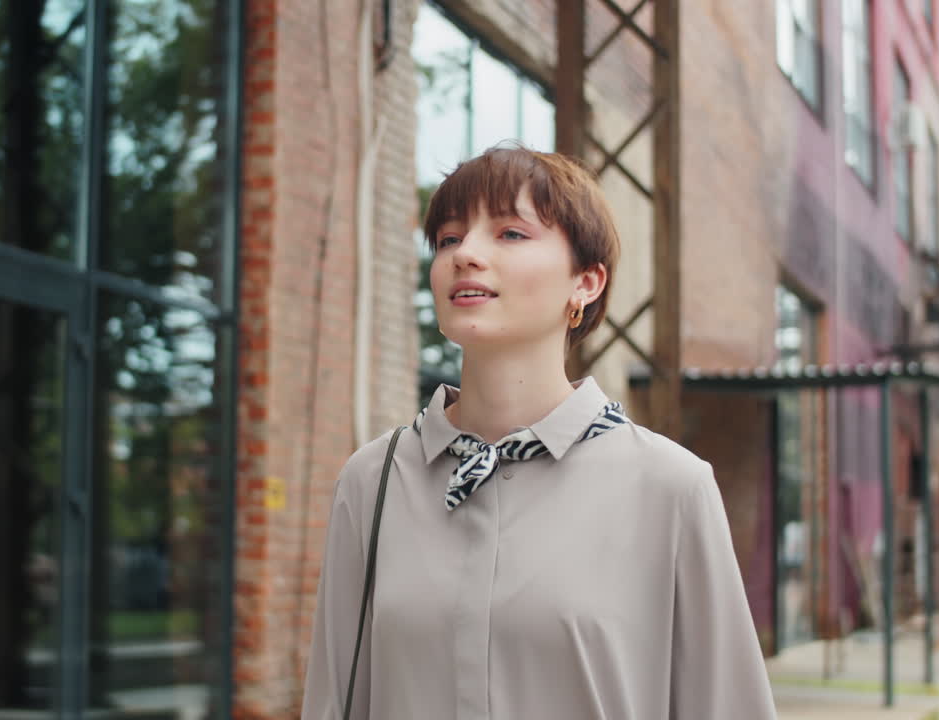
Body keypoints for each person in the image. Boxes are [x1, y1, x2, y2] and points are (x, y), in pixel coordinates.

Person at [301, 145, 777, 719]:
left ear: (586, 282)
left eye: (510, 233)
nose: (465, 254)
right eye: (449, 238)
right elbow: (333, 701)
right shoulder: (373, 481)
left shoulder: (669, 487)